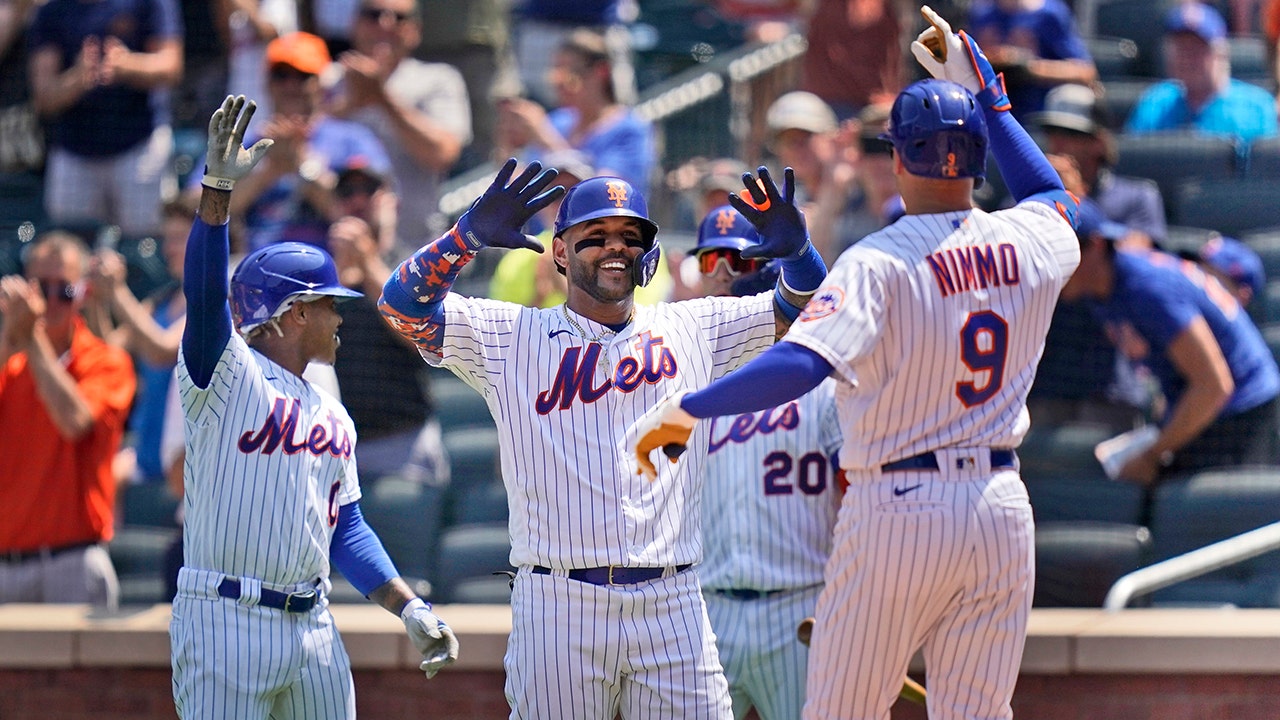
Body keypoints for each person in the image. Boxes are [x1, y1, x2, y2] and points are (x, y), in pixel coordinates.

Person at [632, 9, 1081, 718]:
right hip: (1000, 506)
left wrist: (692, 405)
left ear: (898, 159)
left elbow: (800, 366)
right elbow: (1053, 195)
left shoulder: (878, 259)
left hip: (899, 508)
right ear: (978, 158)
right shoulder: (1029, 239)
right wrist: (992, 102)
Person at [378, 161, 828, 718]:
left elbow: (808, 308)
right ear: (560, 252)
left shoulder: (692, 327)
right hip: (560, 602)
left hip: (673, 599)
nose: (615, 246)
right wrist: (464, 237)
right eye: (595, 235)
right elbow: (400, 306)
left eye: (630, 235)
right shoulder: (511, 336)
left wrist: (800, 253)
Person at [170, 95, 457, 718]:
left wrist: (408, 605)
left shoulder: (331, 411)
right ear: (294, 312)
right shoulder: (225, 372)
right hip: (225, 617)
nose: (340, 316)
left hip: (313, 622)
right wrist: (217, 194)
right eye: (329, 304)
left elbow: (346, 528)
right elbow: (205, 296)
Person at [692, 205, 842, 720]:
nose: (725, 273)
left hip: (801, 605)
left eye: (739, 260)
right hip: (706, 607)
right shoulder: (680, 372)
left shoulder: (821, 377)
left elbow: (860, 493)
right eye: (711, 259)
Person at [1062, 201, 1280, 485]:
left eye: (1062, 253)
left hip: (1242, 406)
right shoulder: (1100, 289)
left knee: (1197, 505)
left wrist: (1152, 454)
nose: (1053, 265)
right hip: (1209, 402)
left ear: (1096, 245)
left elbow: (1215, 385)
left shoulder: (1148, 289)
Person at [0, 230, 137, 608]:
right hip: (7, 563)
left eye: (64, 289)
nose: (51, 300)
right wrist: (11, 337)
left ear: (82, 292)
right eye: (41, 287)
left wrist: (30, 338)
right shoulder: (9, 359)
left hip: (74, 561)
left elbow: (74, 422)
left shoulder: (107, 361)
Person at [326, 155, 448, 486]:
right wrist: (338, 275)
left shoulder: (416, 265)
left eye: (369, 190)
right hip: (334, 447)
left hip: (402, 444)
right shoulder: (321, 276)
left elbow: (424, 338)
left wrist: (367, 264)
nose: (357, 201)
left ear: (391, 201)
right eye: (347, 193)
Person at [219, 31, 391, 252]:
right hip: (255, 265)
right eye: (281, 75)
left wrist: (302, 165)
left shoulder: (353, 139)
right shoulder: (244, 142)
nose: (291, 85)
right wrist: (269, 172)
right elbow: (194, 209)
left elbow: (368, 220)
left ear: (321, 82)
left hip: (330, 265)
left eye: (302, 76)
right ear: (267, 83)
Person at [26, 0, 183, 239]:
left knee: (148, 242)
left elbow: (171, 66)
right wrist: (77, 79)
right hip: (75, 150)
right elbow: (43, 98)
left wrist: (127, 65)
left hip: (140, 144)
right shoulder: (53, 10)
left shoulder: (148, 3)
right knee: (71, 243)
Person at [326, 0, 473, 252]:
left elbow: (443, 155)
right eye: (374, 15)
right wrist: (347, 105)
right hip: (332, 242)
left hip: (414, 250)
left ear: (416, 30)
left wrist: (382, 98)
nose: (385, 24)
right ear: (354, 24)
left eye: (399, 18)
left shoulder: (438, 79)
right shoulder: (327, 78)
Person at [495, 27, 656, 196]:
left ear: (601, 71)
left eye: (569, 74)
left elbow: (604, 195)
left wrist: (545, 139)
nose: (558, 83)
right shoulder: (558, 121)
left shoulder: (631, 129)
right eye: (555, 72)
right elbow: (523, 189)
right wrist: (507, 152)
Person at [1032, 83, 1167, 247]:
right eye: (1051, 131)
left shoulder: (1138, 197)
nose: (1057, 142)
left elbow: (1138, 252)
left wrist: (1076, 200)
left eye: (1070, 134)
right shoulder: (1031, 196)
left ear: (1098, 142)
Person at [1126, 2, 1277, 144]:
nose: (1187, 59)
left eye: (1196, 50)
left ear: (1221, 54)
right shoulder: (1155, 103)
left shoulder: (1257, 107)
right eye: (1180, 49)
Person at [966, 0, 1097, 120]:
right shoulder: (982, 15)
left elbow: (1085, 72)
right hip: (989, 117)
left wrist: (1028, 67)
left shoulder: (1048, 14)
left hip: (1035, 118)